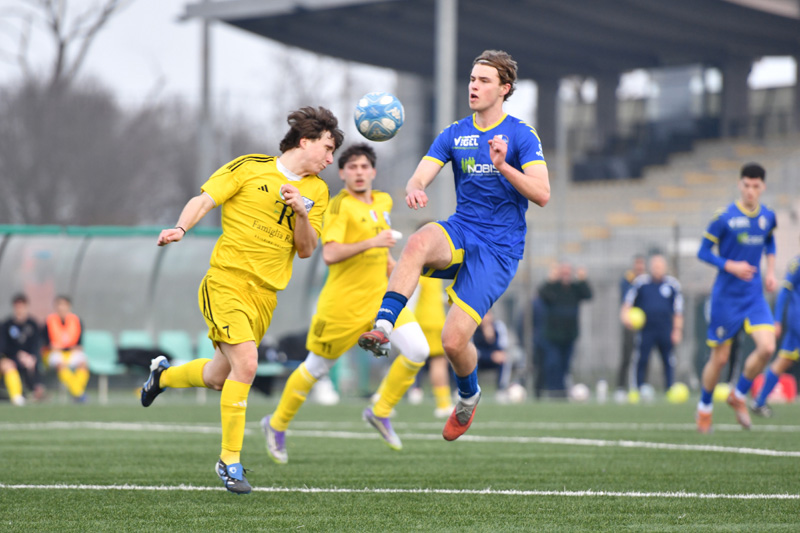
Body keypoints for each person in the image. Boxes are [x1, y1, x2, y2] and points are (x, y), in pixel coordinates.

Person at [139, 106, 343, 494]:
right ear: (305, 141)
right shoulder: (249, 167)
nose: (330, 159)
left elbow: (306, 250)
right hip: (226, 282)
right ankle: (229, 461)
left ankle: (162, 376)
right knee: (247, 364)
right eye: (328, 148)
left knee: (219, 377)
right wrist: (181, 227)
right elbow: (204, 200)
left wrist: (301, 212)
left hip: (265, 296)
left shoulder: (317, 191)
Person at [358, 49, 549, 441]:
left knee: (452, 341)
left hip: (499, 249)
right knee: (418, 241)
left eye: (484, 81)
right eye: (472, 79)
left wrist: (503, 166)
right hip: (463, 228)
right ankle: (383, 326)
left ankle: (468, 395)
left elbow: (542, 194)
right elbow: (419, 176)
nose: (473, 86)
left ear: (504, 89)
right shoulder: (455, 133)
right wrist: (415, 188)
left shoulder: (521, 135)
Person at [259, 143, 430, 463]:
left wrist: (394, 267)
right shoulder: (338, 206)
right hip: (342, 307)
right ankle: (276, 424)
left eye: (364, 167)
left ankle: (380, 410)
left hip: (380, 302)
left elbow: (382, 251)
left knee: (419, 350)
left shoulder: (383, 200)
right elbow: (330, 253)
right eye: (352, 167)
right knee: (315, 368)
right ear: (342, 173)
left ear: (373, 171)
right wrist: (373, 242)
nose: (359, 172)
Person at [695, 162, 777, 433]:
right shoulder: (724, 217)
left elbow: (770, 241)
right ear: (740, 185)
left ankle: (738, 394)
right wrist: (729, 265)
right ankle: (704, 408)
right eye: (746, 185)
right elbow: (703, 251)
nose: (751, 190)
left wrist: (771, 271)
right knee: (720, 359)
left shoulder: (768, 216)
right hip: (726, 297)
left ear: (762, 187)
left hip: (754, 296)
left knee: (767, 348)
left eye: (756, 186)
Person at [620, 254, 683, 399]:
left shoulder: (673, 285)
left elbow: (678, 311)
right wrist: (625, 317)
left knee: (668, 360)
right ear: (650, 267)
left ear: (665, 267)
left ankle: (669, 388)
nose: (657, 269)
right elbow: (627, 303)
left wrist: (677, 330)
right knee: (641, 359)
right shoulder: (641, 283)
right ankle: (637, 388)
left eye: (660, 266)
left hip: (666, 328)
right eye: (654, 266)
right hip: (646, 329)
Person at [750, 251, 800, 417]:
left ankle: (759, 401)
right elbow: (784, 291)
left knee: (784, 361)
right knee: (782, 361)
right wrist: (777, 320)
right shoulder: (797, 263)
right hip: (797, 322)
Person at [538, 262, 593, 397]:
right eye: (563, 272)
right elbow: (542, 294)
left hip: (570, 334)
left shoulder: (575, 288)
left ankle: (562, 391)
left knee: (565, 364)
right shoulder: (554, 288)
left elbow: (588, 295)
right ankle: (553, 390)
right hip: (553, 335)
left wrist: (583, 280)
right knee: (553, 363)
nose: (566, 275)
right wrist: (550, 279)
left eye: (568, 272)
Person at [406, 274, 453, 418]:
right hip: (432, 322)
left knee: (413, 361)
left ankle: (384, 400)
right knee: (437, 362)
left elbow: (417, 294)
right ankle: (443, 404)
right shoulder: (431, 270)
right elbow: (414, 295)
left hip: (424, 321)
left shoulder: (422, 269)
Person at [44, 295, 90, 402]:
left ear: (69, 306)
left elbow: (79, 343)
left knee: (83, 364)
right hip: (55, 353)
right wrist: (51, 346)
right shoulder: (49, 321)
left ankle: (76, 392)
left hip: (71, 352)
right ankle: (78, 393)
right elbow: (45, 343)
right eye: (59, 305)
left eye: (64, 305)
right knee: (60, 364)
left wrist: (76, 347)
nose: (61, 307)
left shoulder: (76, 320)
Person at [0, 294, 44, 405]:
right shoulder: (6, 325)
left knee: (32, 363)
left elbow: (36, 344)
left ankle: (35, 389)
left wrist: (32, 356)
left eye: (22, 307)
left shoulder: (33, 324)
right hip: (11, 358)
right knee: (7, 365)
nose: (19, 309)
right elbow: (3, 346)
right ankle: (16, 396)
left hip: (29, 359)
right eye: (17, 307)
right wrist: (18, 354)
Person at [615, 254, 646, 402]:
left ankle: (641, 386)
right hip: (629, 323)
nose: (639, 267)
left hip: (645, 325)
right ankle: (621, 387)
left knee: (643, 357)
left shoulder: (646, 280)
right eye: (637, 264)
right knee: (626, 356)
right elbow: (625, 300)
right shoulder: (628, 280)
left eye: (641, 264)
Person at [473, 308, 512, 399]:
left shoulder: (498, 327)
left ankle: (501, 390)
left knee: (505, 359)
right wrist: (489, 356)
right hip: (478, 359)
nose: (485, 318)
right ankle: (472, 390)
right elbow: (472, 350)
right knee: (467, 360)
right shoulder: (473, 328)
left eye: (488, 314)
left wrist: (491, 339)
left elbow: (502, 347)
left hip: (495, 359)